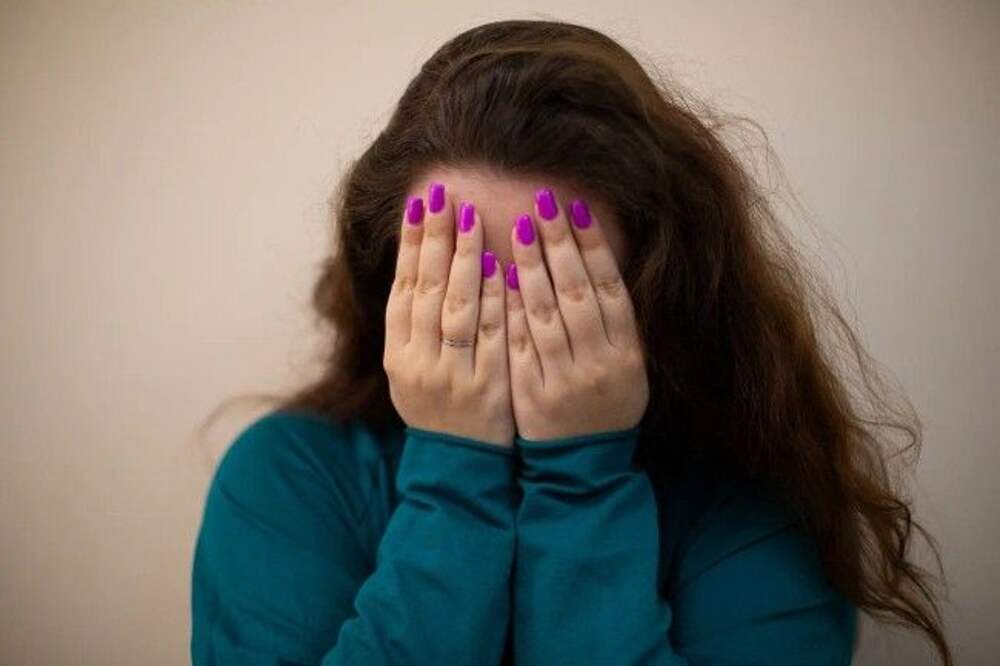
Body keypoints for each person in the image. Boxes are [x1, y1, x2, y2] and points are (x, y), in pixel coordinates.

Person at [190, 19, 951, 666]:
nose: (492, 324)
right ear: (391, 275)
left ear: (654, 290)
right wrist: (454, 472)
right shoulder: (289, 475)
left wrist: (583, 477)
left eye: (559, 284)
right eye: (455, 276)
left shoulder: (756, 502)